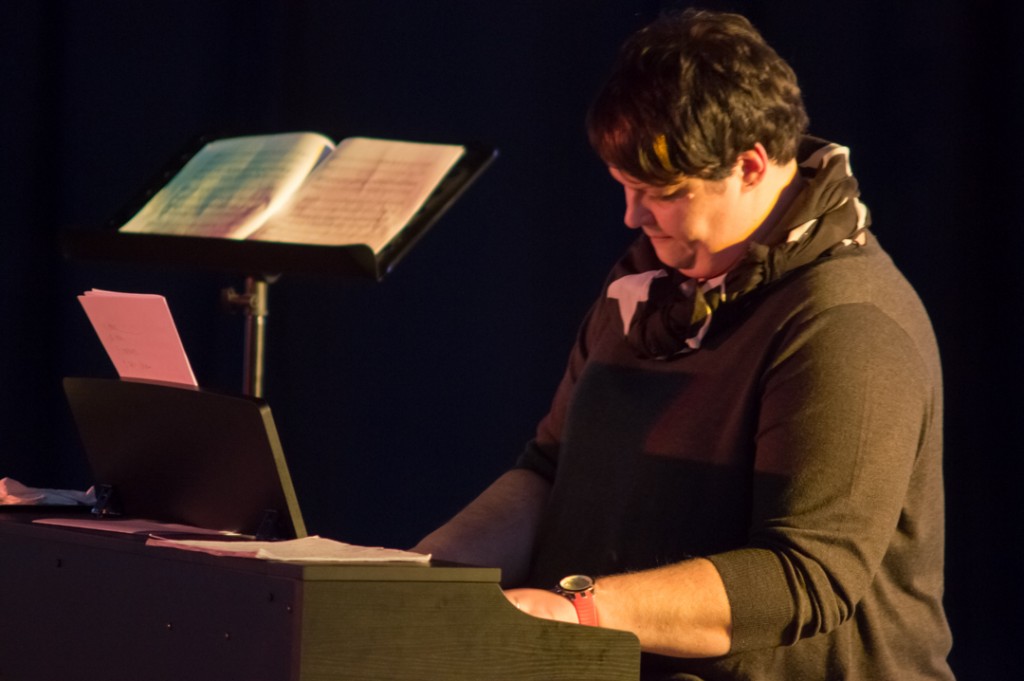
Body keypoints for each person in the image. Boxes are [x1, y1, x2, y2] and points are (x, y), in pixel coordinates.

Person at [413, 8, 955, 680]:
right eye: (625, 189)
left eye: (661, 193)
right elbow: (550, 472)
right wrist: (419, 579)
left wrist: (575, 610)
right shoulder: (648, 288)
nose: (632, 216)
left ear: (750, 165)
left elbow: (804, 574)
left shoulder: (846, 322)